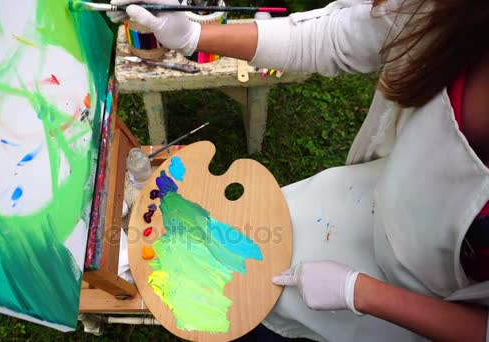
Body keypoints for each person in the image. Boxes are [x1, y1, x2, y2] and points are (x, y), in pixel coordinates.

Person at [109, 0, 489, 340]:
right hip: (365, 201)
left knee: (258, 314)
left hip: (422, 307)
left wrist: (359, 293)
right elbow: (335, 36)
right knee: (244, 261)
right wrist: (194, 35)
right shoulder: (453, 12)